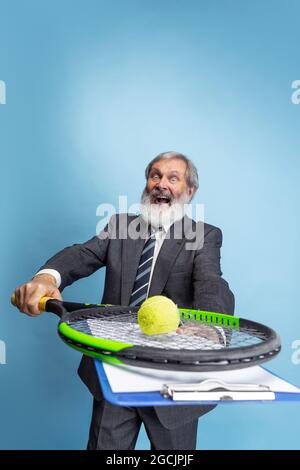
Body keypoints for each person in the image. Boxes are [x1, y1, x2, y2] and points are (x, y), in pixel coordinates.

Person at [13, 151, 234, 450]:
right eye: (155, 175)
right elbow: (83, 254)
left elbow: (211, 283)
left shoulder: (203, 235)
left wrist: (210, 327)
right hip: (115, 371)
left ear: (190, 191)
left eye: (173, 178)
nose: (161, 184)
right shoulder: (120, 226)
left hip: (173, 380)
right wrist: (47, 278)